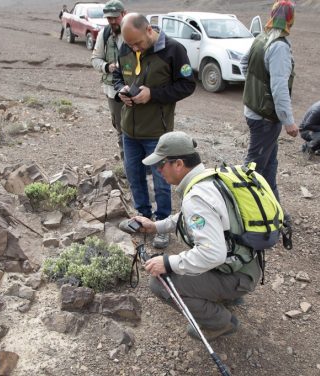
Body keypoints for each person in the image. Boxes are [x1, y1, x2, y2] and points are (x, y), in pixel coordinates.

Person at [128, 131, 262, 340]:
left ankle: (220, 323)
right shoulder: (210, 179)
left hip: (237, 274)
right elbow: (187, 218)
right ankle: (225, 295)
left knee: (160, 282)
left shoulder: (197, 197)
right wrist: (155, 227)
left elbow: (213, 254)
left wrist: (168, 263)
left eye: (161, 165)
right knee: (191, 258)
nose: (158, 170)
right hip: (247, 262)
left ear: (179, 164)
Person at [113, 13, 196, 249]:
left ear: (149, 30)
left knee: (162, 180)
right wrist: (121, 90)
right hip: (129, 128)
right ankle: (141, 218)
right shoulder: (126, 46)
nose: (134, 48)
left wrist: (153, 94)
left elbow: (187, 85)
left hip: (157, 132)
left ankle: (161, 224)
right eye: (130, 45)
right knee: (134, 175)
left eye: (137, 43)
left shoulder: (173, 50)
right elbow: (117, 74)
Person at [241, 0, 297, 204]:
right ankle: (241, 207)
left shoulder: (261, 37)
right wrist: (288, 121)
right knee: (253, 167)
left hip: (253, 110)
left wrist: (255, 89)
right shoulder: (279, 46)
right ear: (291, 19)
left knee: (269, 165)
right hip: (265, 118)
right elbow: (279, 88)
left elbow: (244, 63)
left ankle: (274, 209)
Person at [91, 0, 127, 157]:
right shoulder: (103, 34)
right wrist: (107, 67)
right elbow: (95, 59)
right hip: (113, 90)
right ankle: (127, 163)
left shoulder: (133, 31)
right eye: (109, 18)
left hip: (136, 87)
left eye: (115, 17)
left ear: (123, 14)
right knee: (121, 127)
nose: (112, 21)